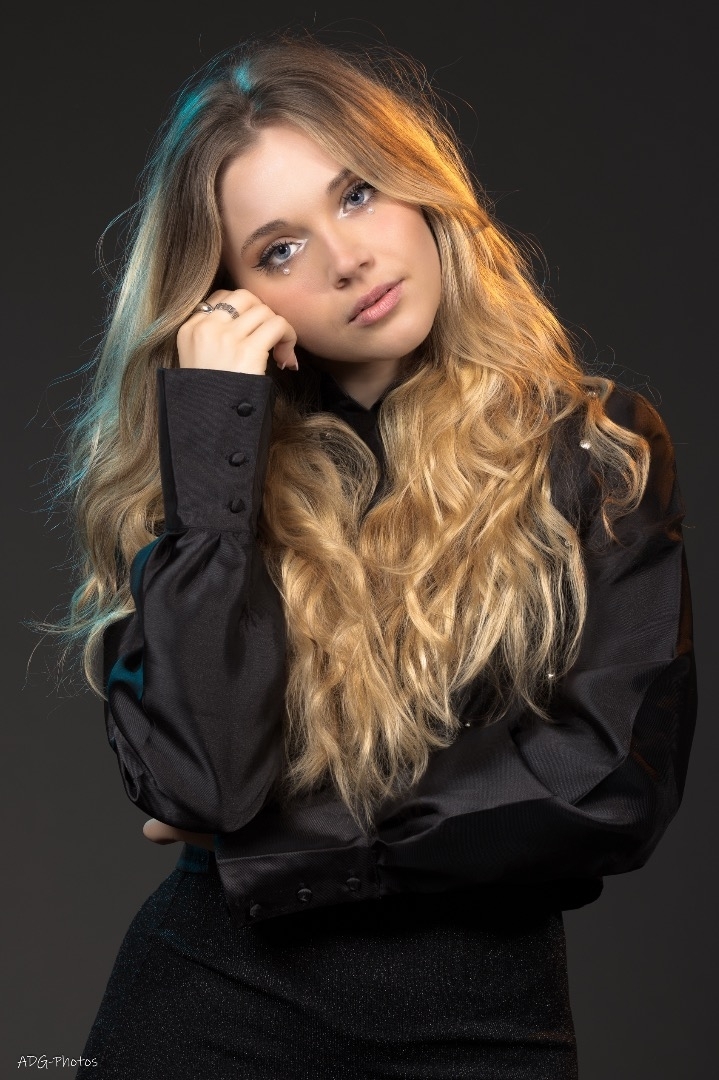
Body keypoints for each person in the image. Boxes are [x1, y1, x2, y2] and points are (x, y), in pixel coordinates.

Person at [45, 29, 695, 1080]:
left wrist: (283, 846)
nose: (345, 258)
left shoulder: (596, 448)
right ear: (233, 296)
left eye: (355, 195)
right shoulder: (210, 473)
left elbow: (603, 784)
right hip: (209, 1011)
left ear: (418, 186)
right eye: (278, 249)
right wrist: (212, 433)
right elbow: (201, 785)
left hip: (487, 1032)